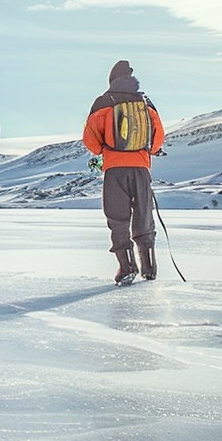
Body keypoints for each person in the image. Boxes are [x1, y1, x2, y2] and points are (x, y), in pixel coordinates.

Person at [82, 60, 166, 286]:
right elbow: (158, 138)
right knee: (144, 216)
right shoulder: (145, 102)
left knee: (118, 218)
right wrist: (150, 152)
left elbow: (90, 139)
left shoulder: (103, 102)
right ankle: (149, 267)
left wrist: (104, 150)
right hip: (140, 168)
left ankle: (127, 267)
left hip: (115, 169)